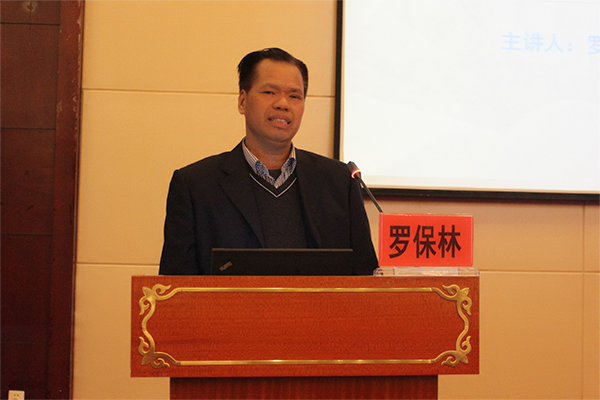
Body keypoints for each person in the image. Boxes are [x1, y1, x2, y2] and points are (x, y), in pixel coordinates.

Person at [159, 48, 378, 275]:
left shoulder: (339, 182)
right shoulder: (196, 186)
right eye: (269, 92)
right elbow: (175, 286)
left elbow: (366, 277)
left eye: (294, 96)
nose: (283, 104)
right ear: (242, 101)